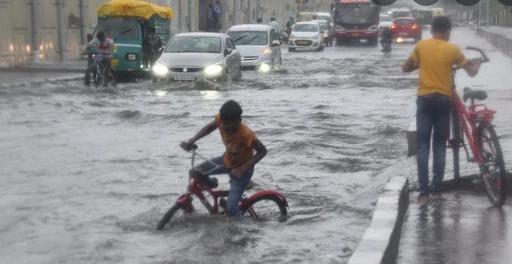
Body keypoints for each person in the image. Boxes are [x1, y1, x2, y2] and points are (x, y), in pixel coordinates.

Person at [402, 16, 481, 202]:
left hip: (424, 100)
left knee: (422, 147)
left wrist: (419, 65)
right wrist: (475, 64)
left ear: (432, 30)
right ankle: (437, 190)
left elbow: (405, 68)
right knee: (439, 145)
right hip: (443, 101)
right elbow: (471, 72)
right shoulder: (452, 49)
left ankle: (423, 192)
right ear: (447, 31)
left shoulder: (422, 46)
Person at [181, 100, 267, 217]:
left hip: (242, 170)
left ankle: (242, 229)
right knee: (195, 172)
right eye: (224, 125)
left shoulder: (246, 134)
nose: (226, 128)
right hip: (226, 161)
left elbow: (263, 151)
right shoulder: (220, 119)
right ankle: (211, 184)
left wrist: (242, 169)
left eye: (230, 127)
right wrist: (192, 140)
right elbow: (209, 128)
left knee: (231, 210)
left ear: (239, 121)